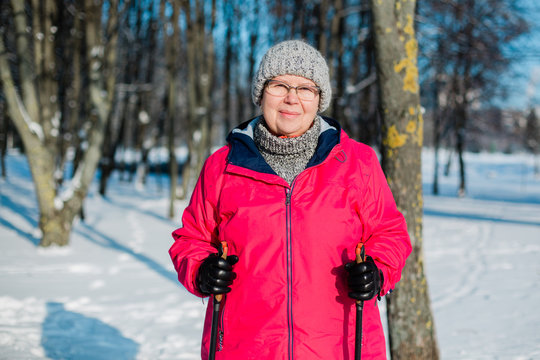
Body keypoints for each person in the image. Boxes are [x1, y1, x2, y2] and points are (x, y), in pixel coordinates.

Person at [169, 39, 412, 359]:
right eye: (279, 85)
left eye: (306, 88)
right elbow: (191, 238)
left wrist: (378, 271)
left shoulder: (357, 163)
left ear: (319, 98)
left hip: (340, 346)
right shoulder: (223, 166)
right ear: (260, 92)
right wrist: (201, 269)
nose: (292, 98)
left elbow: (390, 233)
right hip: (246, 348)